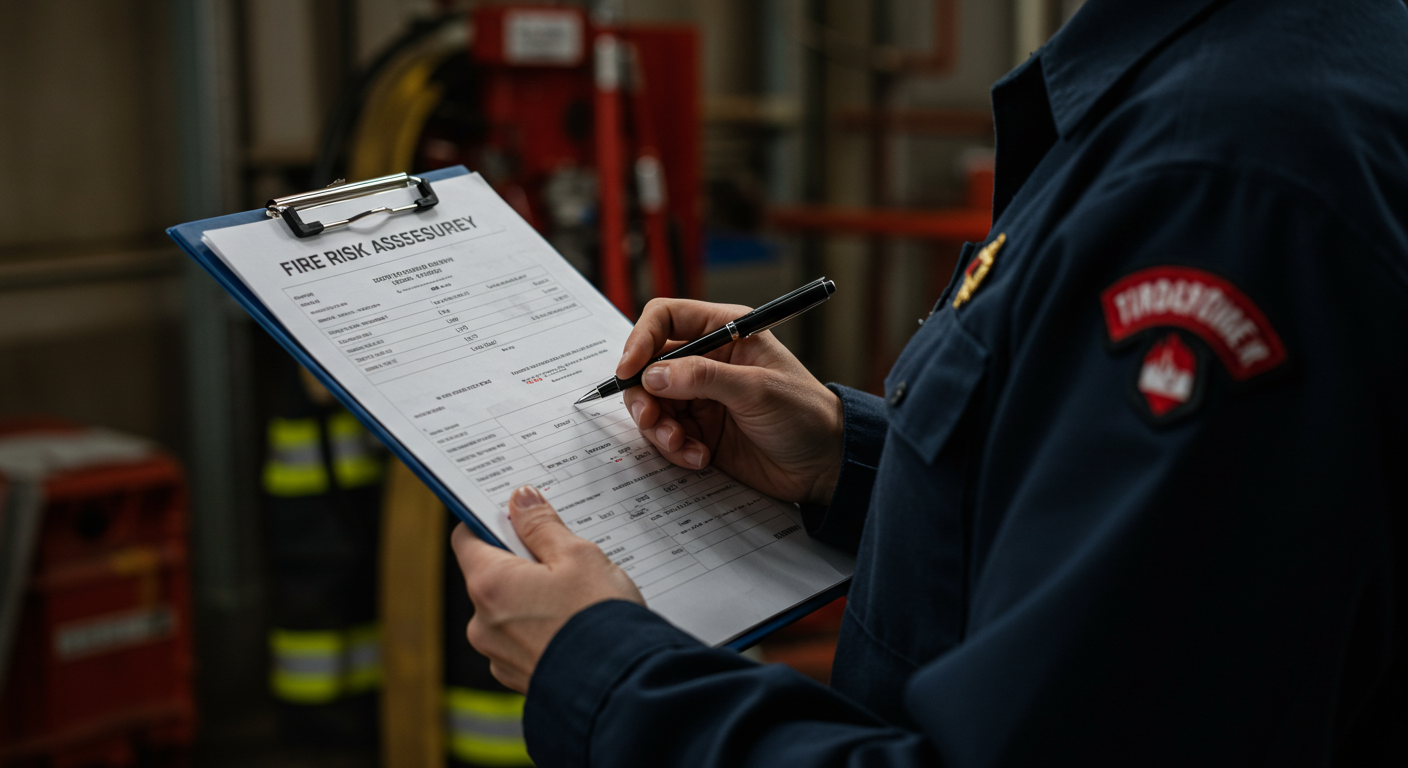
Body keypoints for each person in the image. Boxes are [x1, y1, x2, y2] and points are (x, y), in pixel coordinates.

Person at [450, 0, 1408, 763]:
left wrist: (605, 675)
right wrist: (847, 459)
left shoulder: (1216, 175)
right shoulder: (1263, 73)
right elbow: (1125, 558)